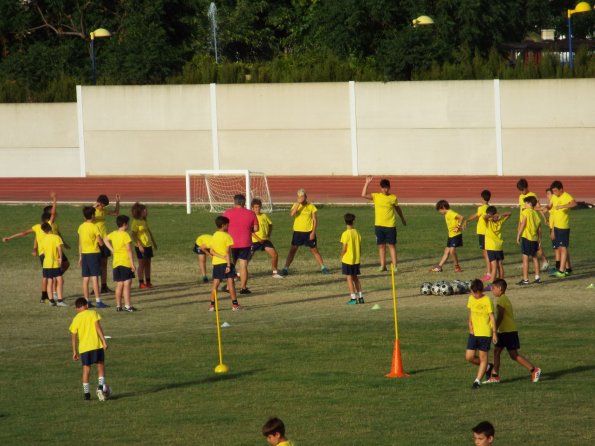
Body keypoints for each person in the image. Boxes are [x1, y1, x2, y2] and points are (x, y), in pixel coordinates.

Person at [483, 279, 541, 384]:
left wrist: (494, 329)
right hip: (506, 331)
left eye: (494, 288)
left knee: (513, 355)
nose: (492, 290)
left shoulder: (501, 300)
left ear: (500, 289)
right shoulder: (504, 299)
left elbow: (500, 316)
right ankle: (495, 376)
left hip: (508, 332)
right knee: (497, 352)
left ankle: (534, 369)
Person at [2, 193, 56, 303]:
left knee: (45, 276)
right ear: (48, 220)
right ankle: (48, 296)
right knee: (50, 276)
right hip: (49, 254)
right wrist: (54, 200)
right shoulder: (49, 225)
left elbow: (23, 233)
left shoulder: (37, 227)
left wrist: (9, 237)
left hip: (42, 254)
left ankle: (43, 296)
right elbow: (53, 213)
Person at [361, 176, 406, 271]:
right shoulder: (376, 196)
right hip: (379, 225)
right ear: (380, 188)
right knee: (381, 246)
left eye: (386, 187)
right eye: (383, 188)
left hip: (390, 226)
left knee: (392, 245)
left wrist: (402, 218)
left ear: (389, 187)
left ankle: (395, 266)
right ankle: (383, 265)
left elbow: (398, 209)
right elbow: (363, 195)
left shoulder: (393, 198)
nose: (385, 189)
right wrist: (367, 183)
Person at [281, 189, 330, 276]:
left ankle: (323, 267)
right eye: (299, 197)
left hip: (308, 232)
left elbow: (315, 220)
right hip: (298, 232)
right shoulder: (296, 205)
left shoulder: (311, 206)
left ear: (306, 197)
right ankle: (286, 268)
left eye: (303, 196)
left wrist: (313, 232)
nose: (301, 198)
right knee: (292, 250)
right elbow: (292, 214)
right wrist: (298, 204)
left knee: (314, 250)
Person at [69, 297, 110, 401]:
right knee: (100, 365)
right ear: (86, 305)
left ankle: (87, 395)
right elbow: (98, 327)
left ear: (77, 308)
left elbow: (73, 336)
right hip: (96, 345)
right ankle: (100, 388)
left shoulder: (76, 319)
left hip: (84, 348)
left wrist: (74, 351)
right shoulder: (92, 313)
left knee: (86, 370)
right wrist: (104, 341)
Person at [223, 194, 259, 294]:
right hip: (245, 242)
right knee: (243, 266)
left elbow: (223, 227)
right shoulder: (251, 213)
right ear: (244, 202)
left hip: (231, 243)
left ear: (234, 202)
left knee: (230, 265)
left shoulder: (227, 213)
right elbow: (256, 229)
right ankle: (243, 288)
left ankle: (228, 287)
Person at [465, 279, 497, 389]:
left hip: (485, 333)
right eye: (472, 292)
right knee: (469, 357)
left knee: (483, 358)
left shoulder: (487, 300)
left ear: (480, 291)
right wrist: (470, 325)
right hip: (473, 333)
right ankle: (488, 366)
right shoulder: (470, 298)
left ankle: (477, 381)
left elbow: (492, 318)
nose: (473, 294)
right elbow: (470, 314)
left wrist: (494, 333)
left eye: (475, 292)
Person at [78, 206, 113, 308]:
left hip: (84, 254)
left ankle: (86, 301)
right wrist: (103, 244)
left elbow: (79, 242)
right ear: (93, 215)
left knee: (85, 279)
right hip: (94, 253)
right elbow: (100, 241)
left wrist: (80, 256)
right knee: (95, 278)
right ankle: (98, 301)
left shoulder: (81, 227)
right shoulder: (94, 227)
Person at [209, 216, 240, 312]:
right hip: (226, 263)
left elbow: (211, 251)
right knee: (231, 283)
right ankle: (235, 305)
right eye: (227, 225)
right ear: (223, 225)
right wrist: (228, 265)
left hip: (216, 263)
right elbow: (227, 252)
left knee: (215, 284)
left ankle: (212, 306)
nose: (228, 226)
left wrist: (219, 257)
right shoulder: (227, 236)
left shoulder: (214, 235)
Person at [516, 179, 548, 271]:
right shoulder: (520, 196)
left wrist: (545, 218)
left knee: (534, 242)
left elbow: (539, 207)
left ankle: (544, 261)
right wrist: (519, 222)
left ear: (527, 187)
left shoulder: (532, 195)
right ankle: (525, 260)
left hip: (531, 222)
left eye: (523, 190)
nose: (522, 192)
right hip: (523, 222)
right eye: (520, 190)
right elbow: (521, 211)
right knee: (525, 241)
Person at [546, 180, 577, 278]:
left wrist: (563, 206)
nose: (554, 193)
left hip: (563, 227)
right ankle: (568, 269)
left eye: (556, 191)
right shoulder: (555, 197)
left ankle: (561, 271)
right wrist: (546, 208)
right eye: (553, 191)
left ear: (561, 189)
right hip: (556, 226)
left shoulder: (566, 196)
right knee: (562, 248)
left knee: (563, 248)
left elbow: (574, 204)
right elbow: (550, 206)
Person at [107, 215, 137, 312]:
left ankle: (118, 306)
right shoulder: (125, 235)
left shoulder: (114, 234)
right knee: (127, 284)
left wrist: (112, 249)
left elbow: (105, 239)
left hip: (116, 263)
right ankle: (127, 305)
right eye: (127, 223)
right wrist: (132, 264)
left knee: (119, 284)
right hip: (125, 262)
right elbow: (129, 250)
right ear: (124, 224)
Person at [250, 198, 283, 279]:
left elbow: (270, 224)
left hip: (265, 240)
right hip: (255, 241)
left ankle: (275, 273)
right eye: (256, 207)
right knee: (247, 258)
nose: (257, 209)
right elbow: (250, 231)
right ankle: (238, 274)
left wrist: (268, 235)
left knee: (275, 255)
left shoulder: (264, 215)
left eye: (259, 207)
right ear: (252, 208)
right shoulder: (251, 217)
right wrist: (258, 239)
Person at [94, 194, 120, 294]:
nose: (103, 207)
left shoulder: (103, 211)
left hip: (105, 240)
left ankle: (104, 286)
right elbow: (85, 216)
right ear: (99, 203)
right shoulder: (93, 211)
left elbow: (116, 213)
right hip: (96, 241)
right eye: (102, 205)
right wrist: (94, 206)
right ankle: (95, 287)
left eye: (104, 206)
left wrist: (117, 202)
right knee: (96, 265)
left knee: (104, 264)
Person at [430, 200, 464, 273]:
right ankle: (439, 267)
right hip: (451, 235)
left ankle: (457, 267)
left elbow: (461, 217)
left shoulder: (450, 213)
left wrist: (458, 226)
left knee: (452, 251)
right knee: (446, 252)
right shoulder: (446, 214)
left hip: (456, 235)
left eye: (440, 210)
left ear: (443, 208)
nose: (440, 212)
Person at [465, 190, 492, 281]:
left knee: (486, 253)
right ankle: (491, 271)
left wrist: (467, 220)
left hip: (482, 233)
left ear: (482, 198)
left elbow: (475, 215)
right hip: (488, 232)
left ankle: (489, 273)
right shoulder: (490, 208)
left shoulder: (481, 208)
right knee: (489, 252)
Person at [516, 196, 542, 285]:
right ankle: (537, 277)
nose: (525, 205)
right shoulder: (536, 214)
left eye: (526, 203)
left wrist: (518, 235)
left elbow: (523, 223)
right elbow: (539, 228)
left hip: (527, 237)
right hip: (534, 238)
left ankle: (525, 279)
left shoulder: (526, 212)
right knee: (535, 257)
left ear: (530, 204)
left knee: (525, 258)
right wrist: (539, 239)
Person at [39, 222, 67, 306]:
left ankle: (51, 300)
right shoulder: (56, 237)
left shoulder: (43, 239)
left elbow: (43, 252)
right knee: (60, 280)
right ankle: (60, 300)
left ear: (43, 231)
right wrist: (60, 258)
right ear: (50, 228)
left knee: (50, 281)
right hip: (54, 263)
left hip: (46, 263)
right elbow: (59, 248)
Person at [131, 202, 157, 289]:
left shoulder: (144, 221)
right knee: (141, 264)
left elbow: (148, 231)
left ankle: (148, 281)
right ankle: (141, 283)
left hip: (148, 245)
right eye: (144, 210)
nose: (146, 211)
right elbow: (134, 234)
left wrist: (153, 242)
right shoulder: (135, 222)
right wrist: (139, 245)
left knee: (148, 263)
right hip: (141, 246)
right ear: (140, 212)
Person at [483, 206, 511, 284]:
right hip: (499, 246)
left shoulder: (489, 222)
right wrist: (499, 216)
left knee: (494, 265)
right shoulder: (500, 221)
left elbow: (485, 217)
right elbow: (509, 213)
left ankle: (492, 282)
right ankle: (501, 281)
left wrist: (492, 216)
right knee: (499, 264)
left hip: (491, 247)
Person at [341, 213, 364, 305]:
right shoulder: (356, 232)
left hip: (347, 259)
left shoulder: (345, 234)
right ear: (353, 221)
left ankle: (353, 298)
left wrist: (341, 255)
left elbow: (344, 248)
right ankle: (361, 297)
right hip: (356, 259)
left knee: (349, 278)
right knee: (356, 278)